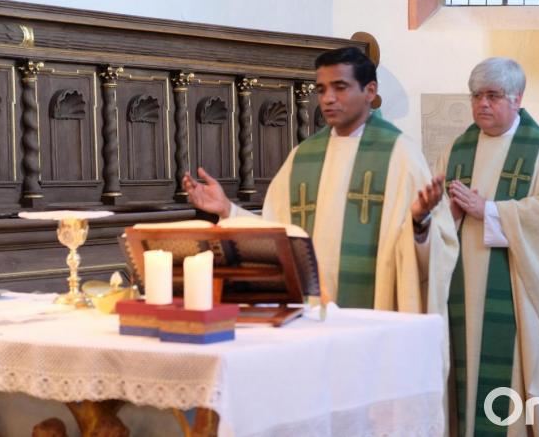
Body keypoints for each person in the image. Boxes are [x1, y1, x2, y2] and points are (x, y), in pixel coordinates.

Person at [183, 47, 458, 315]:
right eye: (321, 89)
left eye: (340, 87)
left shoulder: (400, 154)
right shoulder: (303, 156)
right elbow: (280, 233)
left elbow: (441, 249)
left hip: (373, 312)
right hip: (312, 310)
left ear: (370, 91)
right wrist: (227, 210)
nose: (328, 98)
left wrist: (419, 223)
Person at [436, 57, 539, 436]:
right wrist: (450, 213)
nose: (482, 104)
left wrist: (488, 211)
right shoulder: (458, 150)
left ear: (517, 98)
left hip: (518, 292)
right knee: (466, 374)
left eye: (493, 95)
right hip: (462, 290)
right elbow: (437, 214)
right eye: (476, 95)